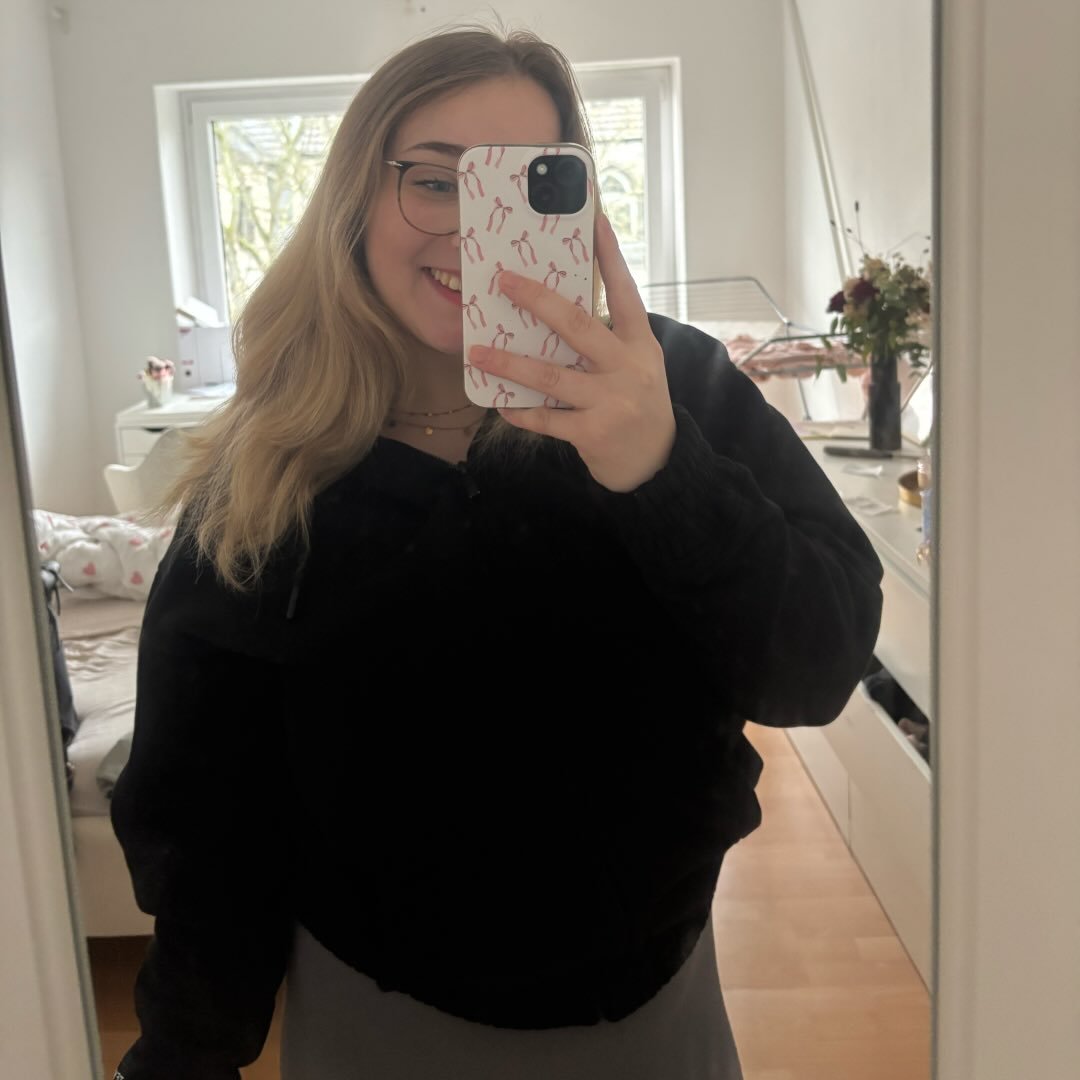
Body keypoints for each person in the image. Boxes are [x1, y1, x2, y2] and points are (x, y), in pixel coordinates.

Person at [110, 23, 884, 1080]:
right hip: (377, 1021)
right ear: (356, 196)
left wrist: (665, 470)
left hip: (662, 1006)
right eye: (435, 181)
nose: (476, 230)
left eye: (523, 186)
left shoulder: (678, 388)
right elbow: (210, 819)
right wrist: (182, 1056)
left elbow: (819, 666)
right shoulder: (271, 471)